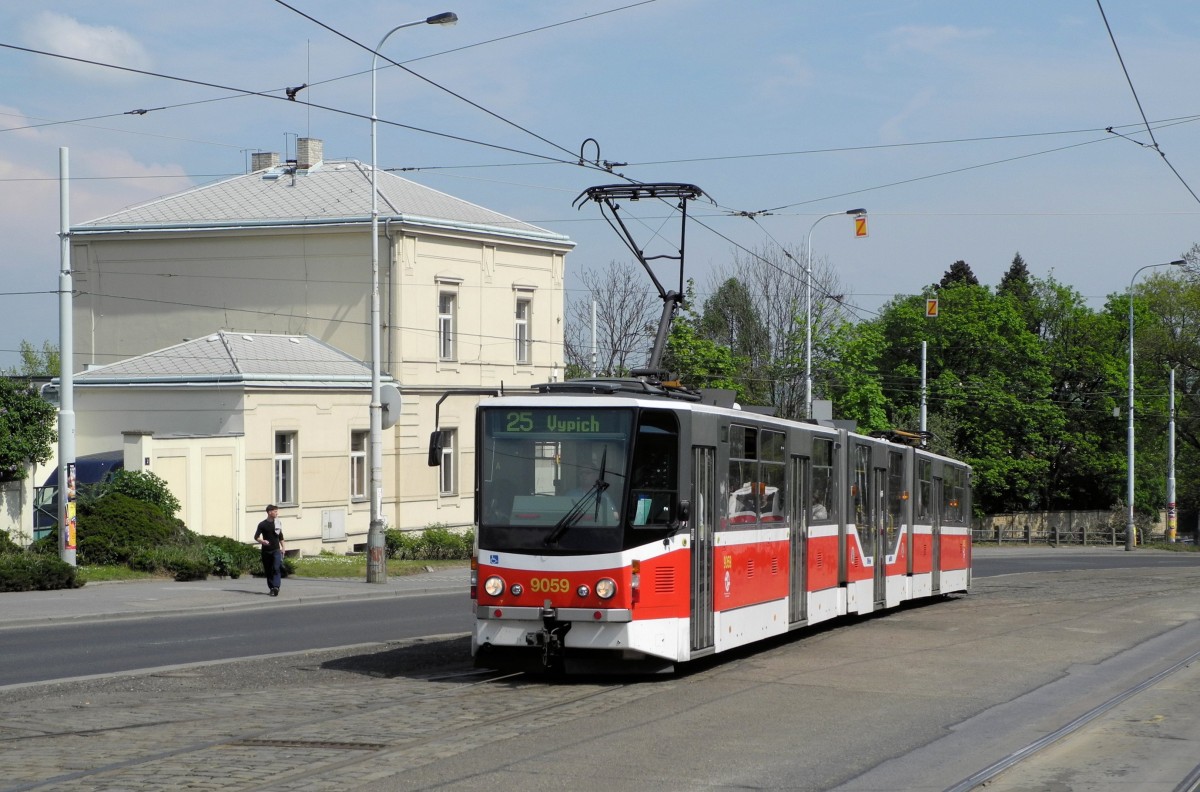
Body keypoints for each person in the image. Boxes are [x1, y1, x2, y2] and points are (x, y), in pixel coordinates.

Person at [254, 504, 285, 596]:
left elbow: (281, 536)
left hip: (276, 550)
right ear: (269, 512)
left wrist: (283, 547)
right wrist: (262, 541)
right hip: (266, 551)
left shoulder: (277, 523)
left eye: (277, 511)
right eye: (275, 511)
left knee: (276, 568)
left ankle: (276, 587)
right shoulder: (262, 524)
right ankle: (271, 588)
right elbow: (256, 537)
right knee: (268, 570)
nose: (277, 513)